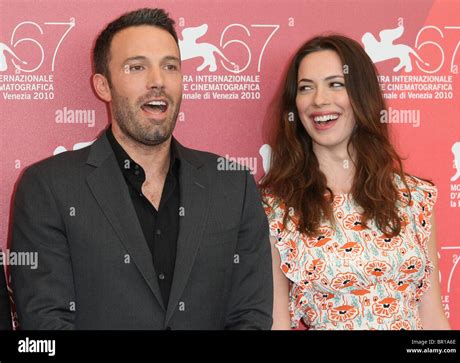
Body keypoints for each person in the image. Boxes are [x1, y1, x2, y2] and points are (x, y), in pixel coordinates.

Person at [10, 8, 272, 330]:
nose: (157, 81)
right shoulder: (48, 188)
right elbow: (46, 324)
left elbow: (251, 316)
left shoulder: (234, 185)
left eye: (170, 66)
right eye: (137, 67)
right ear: (103, 86)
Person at [260, 34, 450, 330]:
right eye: (306, 87)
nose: (319, 99)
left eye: (336, 84)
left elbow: (433, 316)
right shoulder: (276, 211)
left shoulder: (415, 198)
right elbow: (276, 323)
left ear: (362, 95)